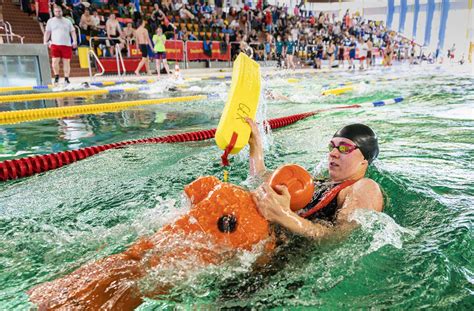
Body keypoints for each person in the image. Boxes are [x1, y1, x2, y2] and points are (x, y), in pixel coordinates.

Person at [247, 119, 383, 241]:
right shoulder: (316, 182)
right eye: (332, 147)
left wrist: (285, 216)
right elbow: (260, 178)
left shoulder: (365, 187)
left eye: (344, 148)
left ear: (365, 160)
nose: (333, 153)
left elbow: (341, 238)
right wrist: (255, 145)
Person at [44, 6, 77, 85]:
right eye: (56, 11)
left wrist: (74, 41)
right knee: (55, 62)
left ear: (62, 11)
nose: (58, 13)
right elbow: (47, 32)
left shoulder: (67, 21)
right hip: (55, 44)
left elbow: (73, 31)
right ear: (54, 12)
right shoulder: (50, 21)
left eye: (59, 11)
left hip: (66, 44)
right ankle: (56, 76)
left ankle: (66, 78)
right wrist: (45, 41)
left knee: (66, 62)